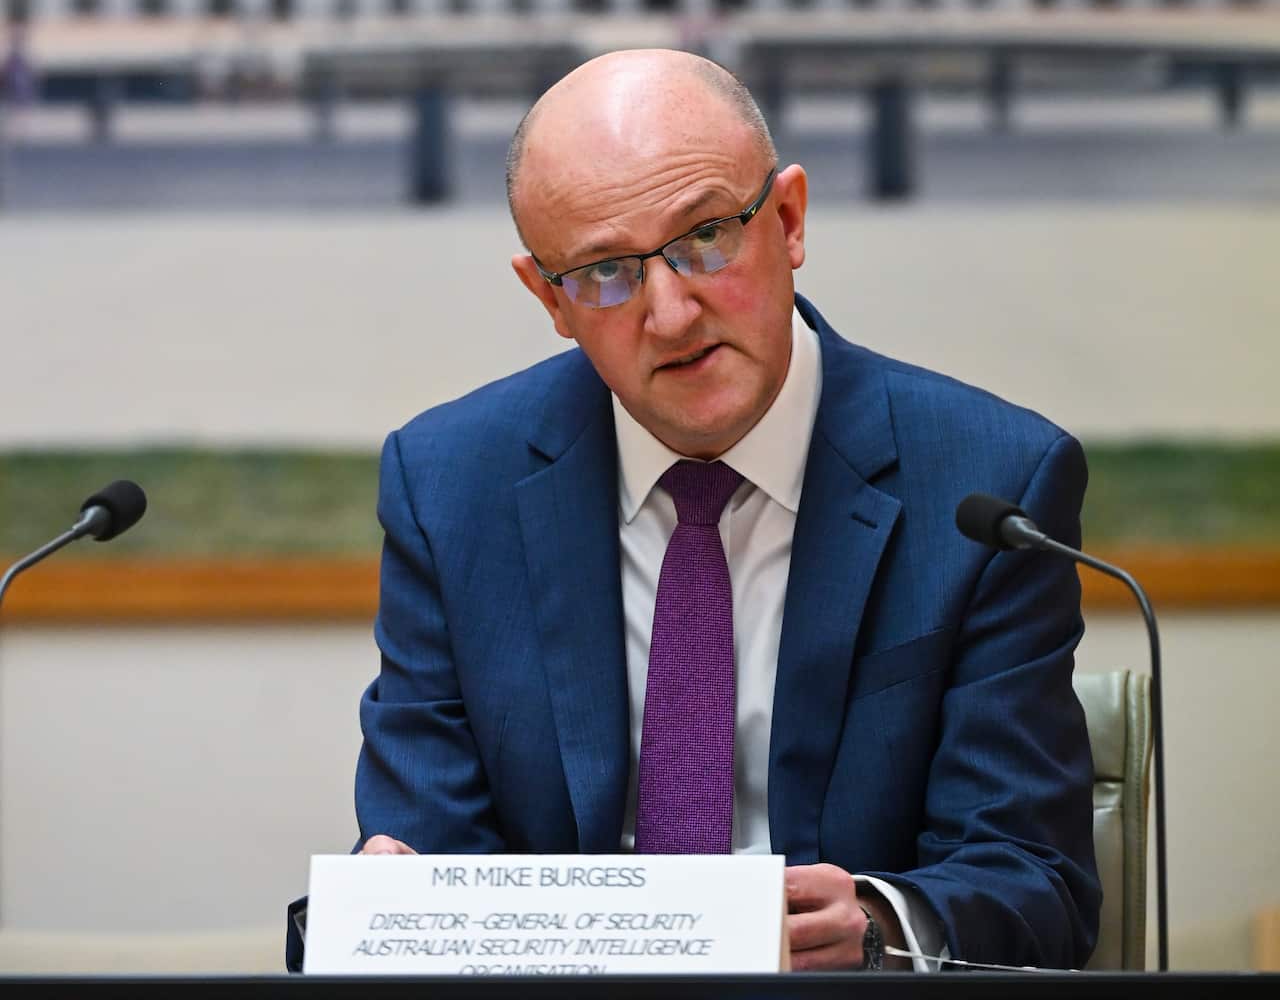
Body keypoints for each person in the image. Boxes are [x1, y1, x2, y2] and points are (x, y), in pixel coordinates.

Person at [291, 49, 1098, 972]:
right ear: (549, 298)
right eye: (604, 272)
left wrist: (880, 919)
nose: (671, 314)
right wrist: (398, 899)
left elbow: (1034, 879)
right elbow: (430, 847)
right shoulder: (450, 485)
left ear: (787, 221)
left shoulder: (986, 482)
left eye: (707, 236)